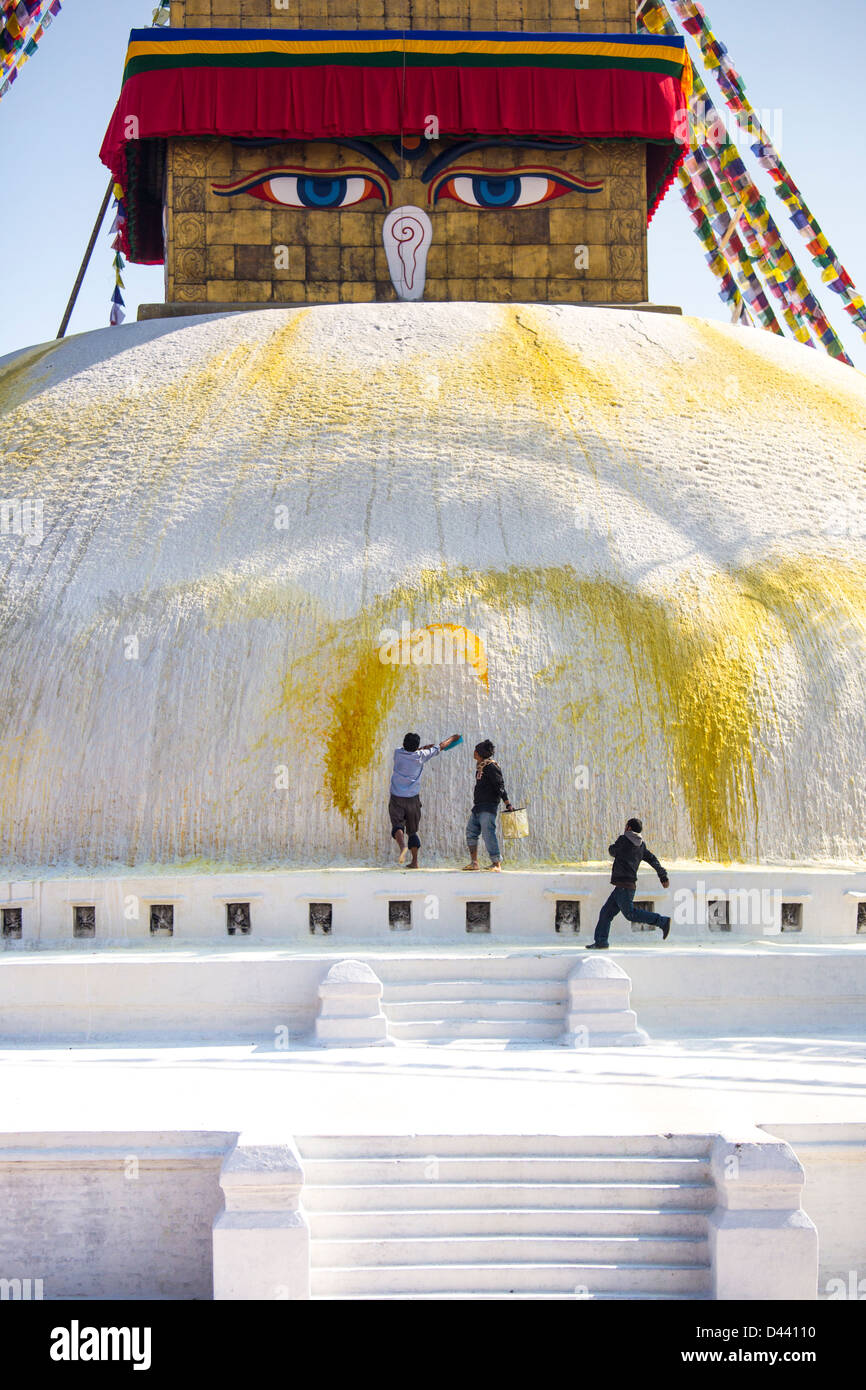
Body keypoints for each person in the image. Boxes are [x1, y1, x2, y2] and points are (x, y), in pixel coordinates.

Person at [587, 817, 671, 949]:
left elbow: (612, 851)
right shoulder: (641, 845)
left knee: (630, 914)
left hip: (623, 887)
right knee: (606, 913)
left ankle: (662, 921)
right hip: (625, 886)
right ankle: (601, 942)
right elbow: (652, 859)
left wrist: (612, 847)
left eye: (626, 825)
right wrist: (663, 875)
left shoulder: (623, 839)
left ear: (629, 828)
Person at [389, 732, 448, 869]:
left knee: (397, 825)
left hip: (397, 797)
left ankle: (402, 846)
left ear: (404, 743)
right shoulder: (421, 756)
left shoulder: (397, 753)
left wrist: (420, 748)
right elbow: (441, 746)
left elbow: (409, 752)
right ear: (417, 747)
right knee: (412, 831)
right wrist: (454, 738)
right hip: (413, 799)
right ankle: (415, 862)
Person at [463, 739, 513, 872]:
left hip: (488, 806)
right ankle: (474, 862)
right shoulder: (481, 767)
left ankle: (496, 863)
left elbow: (500, 786)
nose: (473, 752)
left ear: (479, 753)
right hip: (478, 807)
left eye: (475, 750)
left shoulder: (491, 767)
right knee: (471, 832)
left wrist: (508, 803)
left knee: (488, 833)